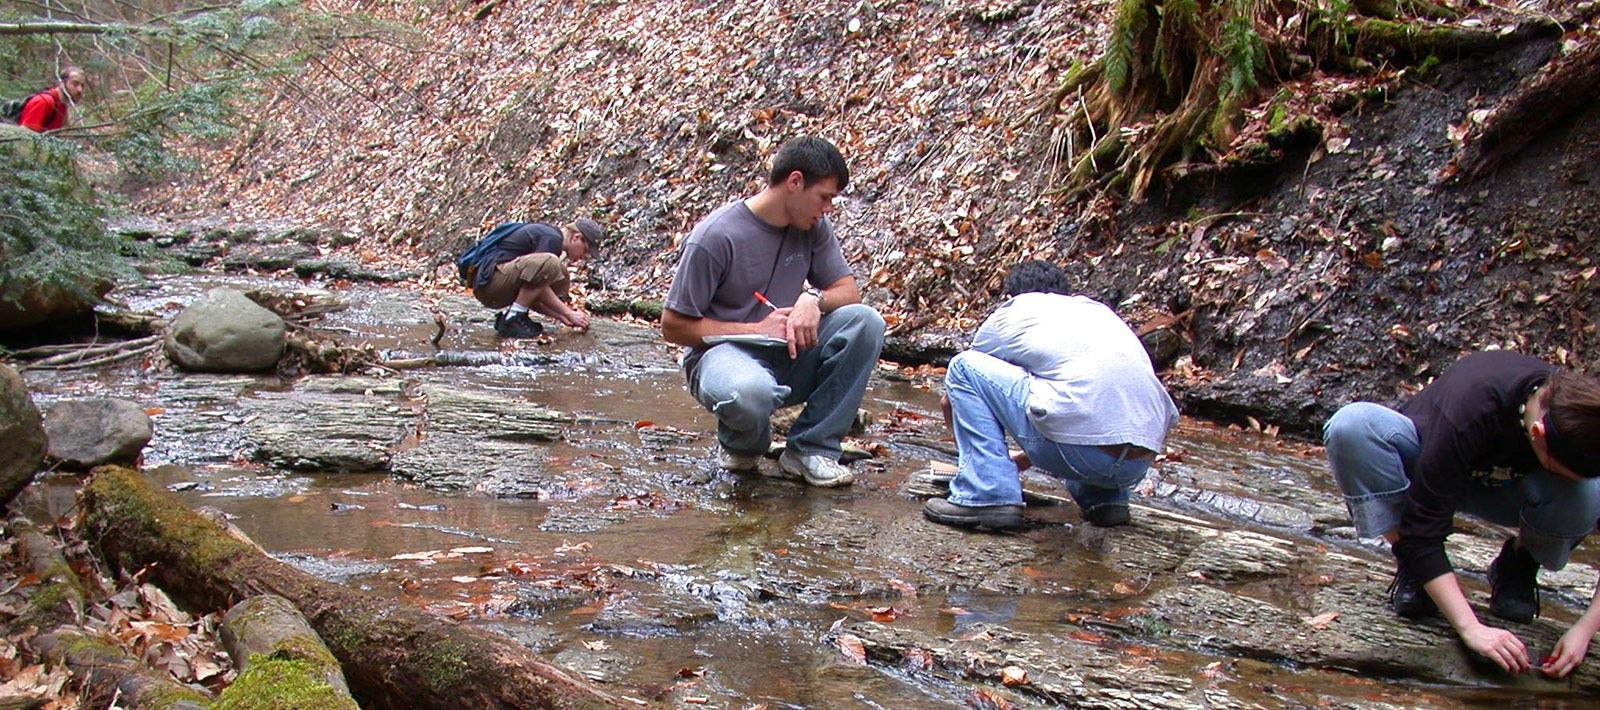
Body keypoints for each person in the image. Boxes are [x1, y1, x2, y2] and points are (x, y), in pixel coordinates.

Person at [1323, 350, 1600, 677]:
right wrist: (1472, 629)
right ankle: (1414, 570)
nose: (1564, 478)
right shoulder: (1473, 403)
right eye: (1561, 473)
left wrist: (1583, 632)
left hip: (1510, 490)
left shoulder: (1585, 420)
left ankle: (1520, 564)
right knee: (1352, 426)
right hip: (1426, 469)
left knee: (1589, 493)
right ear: (1538, 434)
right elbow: (1422, 528)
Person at [662, 136, 884, 487]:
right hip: (721, 356)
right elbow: (673, 327)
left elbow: (848, 292)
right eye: (824, 197)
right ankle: (743, 446)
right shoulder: (716, 237)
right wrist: (755, 329)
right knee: (749, 392)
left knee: (865, 323)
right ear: (794, 182)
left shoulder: (813, 228)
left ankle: (811, 450)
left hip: (788, 351)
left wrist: (811, 299)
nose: (827, 208)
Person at [922, 260, 1179, 530]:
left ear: (1010, 296)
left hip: (1077, 451)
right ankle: (1105, 501)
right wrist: (1020, 458)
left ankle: (987, 495)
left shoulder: (1014, 312)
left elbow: (961, 387)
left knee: (963, 365)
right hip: (1137, 464)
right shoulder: (1098, 313)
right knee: (1095, 396)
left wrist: (974, 461)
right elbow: (1080, 404)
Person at [469, 219, 601, 338]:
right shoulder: (552, 239)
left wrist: (560, 315)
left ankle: (518, 315)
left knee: (560, 272)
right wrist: (568, 313)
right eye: (586, 250)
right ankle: (513, 318)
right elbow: (537, 282)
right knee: (551, 263)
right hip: (490, 284)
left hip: (493, 285)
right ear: (576, 238)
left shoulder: (551, 238)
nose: (584, 256)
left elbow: (532, 290)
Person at [18, 66, 87, 133]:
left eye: (82, 86)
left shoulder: (63, 104)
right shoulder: (45, 101)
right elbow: (26, 134)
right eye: (75, 84)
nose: (79, 90)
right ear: (61, 83)